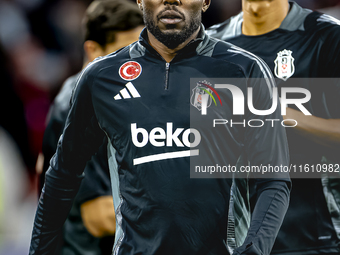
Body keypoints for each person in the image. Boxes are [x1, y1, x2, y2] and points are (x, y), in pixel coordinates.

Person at [29, 0, 291, 254]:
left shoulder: (244, 70)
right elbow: (62, 175)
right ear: (140, 1)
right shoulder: (101, 77)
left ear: (206, 1)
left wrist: (254, 250)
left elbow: (273, 179)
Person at [207, 1, 340, 254]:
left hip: (313, 235)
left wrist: (274, 112)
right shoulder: (211, 43)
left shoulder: (328, 36)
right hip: (234, 240)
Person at [35, 0, 144, 254]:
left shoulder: (119, 99)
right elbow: (98, 218)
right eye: (123, 52)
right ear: (94, 50)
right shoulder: (77, 109)